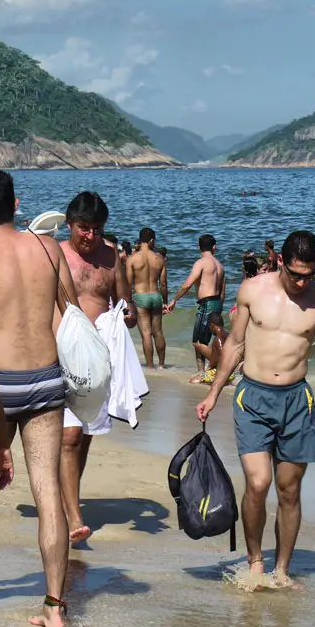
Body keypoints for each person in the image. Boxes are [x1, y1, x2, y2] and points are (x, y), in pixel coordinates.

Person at [195, 231, 315, 588]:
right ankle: (256, 560)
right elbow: (235, 344)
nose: (302, 281)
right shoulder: (252, 291)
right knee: (258, 483)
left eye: (310, 274)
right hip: (253, 397)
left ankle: (283, 570)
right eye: (295, 273)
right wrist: (214, 391)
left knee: (289, 490)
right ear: (281, 263)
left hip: (296, 402)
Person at [0, 170, 72, 627]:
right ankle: (54, 607)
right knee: (48, 493)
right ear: (18, 203)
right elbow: (69, 313)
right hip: (46, 378)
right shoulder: (48, 247)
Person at [60, 191, 135, 544]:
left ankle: (68, 499)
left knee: (85, 437)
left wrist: (129, 315)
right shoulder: (57, 254)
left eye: (96, 229)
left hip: (99, 360)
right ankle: (73, 513)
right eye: (83, 228)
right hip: (64, 356)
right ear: (69, 223)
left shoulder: (111, 257)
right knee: (70, 436)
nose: (89, 236)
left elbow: (124, 302)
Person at [166, 234, 226, 373]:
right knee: (206, 342)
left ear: (198, 247)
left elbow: (187, 284)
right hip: (217, 303)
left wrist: (175, 300)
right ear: (214, 247)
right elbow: (223, 292)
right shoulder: (220, 265)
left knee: (198, 343)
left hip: (206, 305)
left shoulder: (201, 263)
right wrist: (218, 308)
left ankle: (211, 369)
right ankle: (210, 370)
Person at [126, 227, 168, 368]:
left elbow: (128, 283)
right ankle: (162, 365)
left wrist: (128, 301)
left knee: (146, 334)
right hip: (156, 296)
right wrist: (165, 302)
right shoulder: (159, 259)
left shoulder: (132, 259)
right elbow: (163, 284)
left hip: (141, 296)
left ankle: (150, 367)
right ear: (151, 241)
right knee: (158, 332)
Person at [189, 312, 233, 385]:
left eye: (209, 327)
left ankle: (224, 381)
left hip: (222, 372)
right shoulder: (227, 334)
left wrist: (210, 368)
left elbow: (222, 355)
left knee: (192, 381)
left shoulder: (218, 338)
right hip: (230, 370)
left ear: (211, 325)